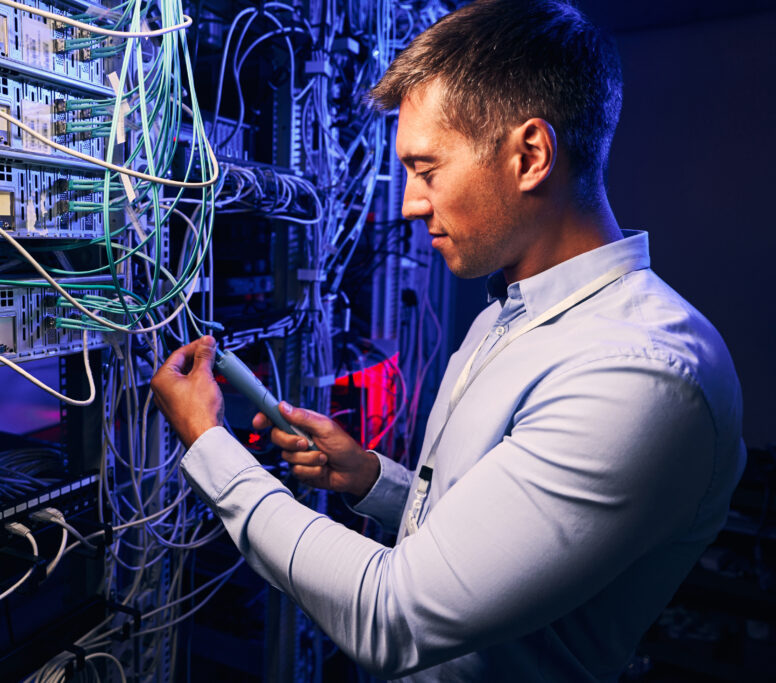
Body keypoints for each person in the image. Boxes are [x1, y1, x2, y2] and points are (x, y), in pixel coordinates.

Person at [150, 0, 746, 679]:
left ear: (530, 155)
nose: (408, 201)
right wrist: (376, 482)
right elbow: (501, 539)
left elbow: (394, 614)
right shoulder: (510, 311)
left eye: (426, 169)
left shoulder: (642, 375)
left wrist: (210, 447)